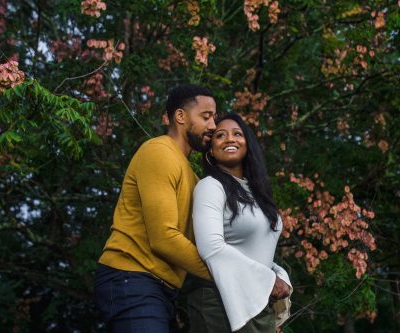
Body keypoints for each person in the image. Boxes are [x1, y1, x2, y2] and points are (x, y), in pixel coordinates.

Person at [93, 84, 217, 333]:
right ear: (180, 116)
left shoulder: (192, 177)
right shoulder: (159, 152)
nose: (213, 126)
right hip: (131, 276)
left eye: (214, 118)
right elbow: (164, 238)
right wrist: (225, 274)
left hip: (160, 289)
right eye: (206, 117)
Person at [187, 113, 293, 332]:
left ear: (248, 144)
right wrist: (268, 280)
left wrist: (278, 276)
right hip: (219, 300)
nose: (229, 139)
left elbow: (256, 252)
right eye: (220, 135)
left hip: (256, 300)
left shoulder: (257, 193)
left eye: (237, 133)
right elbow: (211, 247)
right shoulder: (210, 186)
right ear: (210, 151)